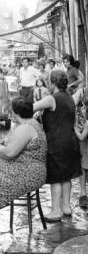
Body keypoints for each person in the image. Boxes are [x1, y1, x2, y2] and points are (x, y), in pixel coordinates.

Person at [0, 97, 47, 239]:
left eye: (11, 110)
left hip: (28, 174)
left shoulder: (26, 128)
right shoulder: (23, 124)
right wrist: (4, 141)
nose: (10, 112)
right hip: (20, 170)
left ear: (16, 112)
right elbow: (13, 141)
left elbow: (9, 153)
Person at [34, 70, 81, 221]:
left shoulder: (51, 99)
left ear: (52, 83)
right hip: (71, 141)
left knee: (56, 177)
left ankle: (55, 211)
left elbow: (32, 107)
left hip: (57, 142)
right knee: (66, 176)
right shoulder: (69, 97)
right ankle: (66, 208)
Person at [73, 86, 88, 207]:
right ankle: (83, 193)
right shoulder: (81, 92)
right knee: (83, 163)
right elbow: (72, 105)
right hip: (81, 130)